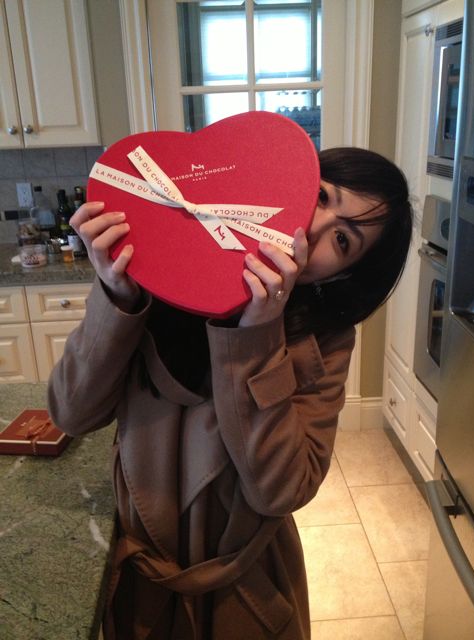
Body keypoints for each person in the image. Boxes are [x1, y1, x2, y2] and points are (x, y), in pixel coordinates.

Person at [48, 146, 413, 639]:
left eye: (343, 240)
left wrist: (257, 336)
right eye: (322, 195)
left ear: (342, 274)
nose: (312, 228)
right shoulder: (160, 270)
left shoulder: (326, 340)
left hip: (245, 593)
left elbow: (281, 490)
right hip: (141, 586)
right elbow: (71, 414)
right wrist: (118, 296)